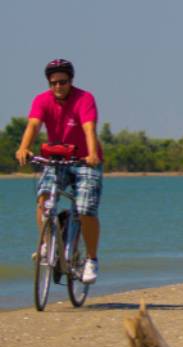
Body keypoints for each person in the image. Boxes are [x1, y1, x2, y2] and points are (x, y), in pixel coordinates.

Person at [15, 59, 103, 284]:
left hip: (85, 161)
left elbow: (89, 128)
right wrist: (24, 147)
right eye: (53, 83)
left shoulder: (84, 98)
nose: (58, 87)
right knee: (44, 198)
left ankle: (92, 259)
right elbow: (34, 125)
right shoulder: (41, 100)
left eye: (62, 82)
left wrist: (92, 155)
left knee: (85, 211)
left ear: (71, 81)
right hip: (56, 158)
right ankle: (46, 243)